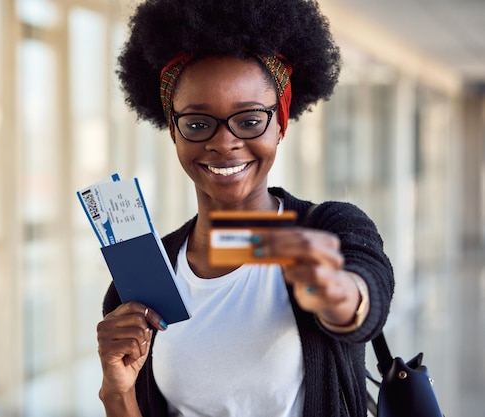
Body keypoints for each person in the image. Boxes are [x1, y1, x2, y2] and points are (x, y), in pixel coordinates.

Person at [96, 0, 394, 415]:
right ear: (174, 132)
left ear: (280, 123)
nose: (224, 142)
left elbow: (367, 294)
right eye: (198, 124)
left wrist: (338, 293)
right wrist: (117, 389)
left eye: (250, 120)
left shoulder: (329, 227)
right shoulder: (142, 279)